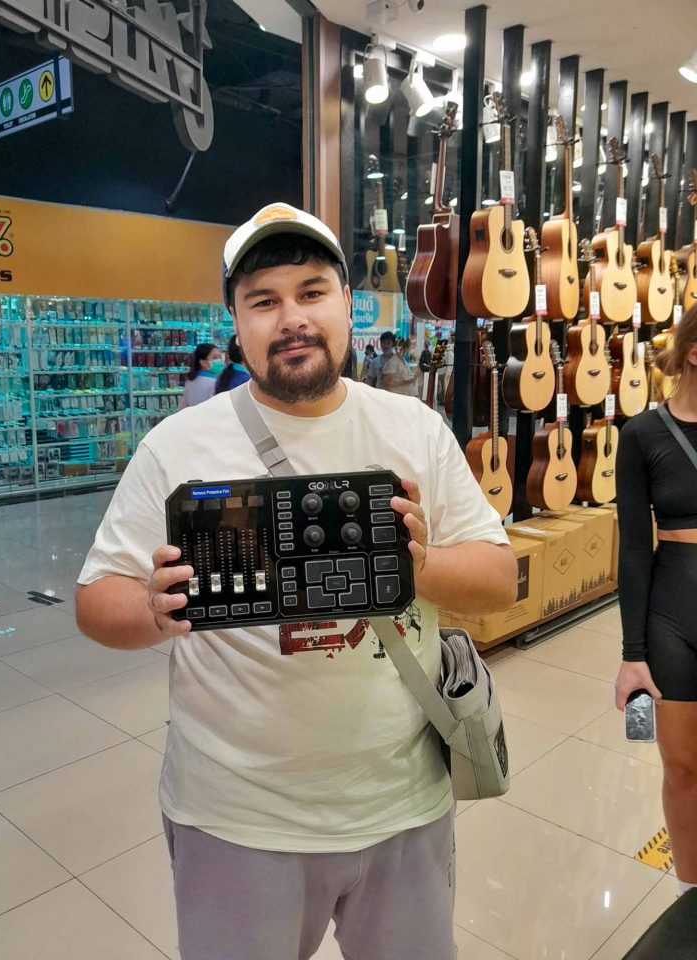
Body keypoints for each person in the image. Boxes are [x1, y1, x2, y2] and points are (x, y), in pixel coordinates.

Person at [76, 201, 517, 960]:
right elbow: (95, 603)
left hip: (403, 802)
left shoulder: (413, 429)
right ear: (235, 322)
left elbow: (500, 578)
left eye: (312, 292)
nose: (292, 319)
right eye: (263, 301)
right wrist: (153, 606)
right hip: (234, 818)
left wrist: (424, 564)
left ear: (346, 301)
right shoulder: (175, 446)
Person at [615, 303, 697, 900]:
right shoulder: (641, 435)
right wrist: (632, 652)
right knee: (682, 767)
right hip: (672, 613)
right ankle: (690, 893)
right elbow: (633, 549)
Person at [178, 342, 222, 408]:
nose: (219, 361)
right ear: (203, 362)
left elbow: (183, 406)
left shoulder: (189, 381)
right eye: (215, 358)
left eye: (220, 357)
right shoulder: (214, 383)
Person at [378, 330, 418, 396]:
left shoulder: (403, 360)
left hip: (406, 396)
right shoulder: (393, 362)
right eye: (410, 348)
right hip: (396, 397)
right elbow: (387, 382)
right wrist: (408, 382)